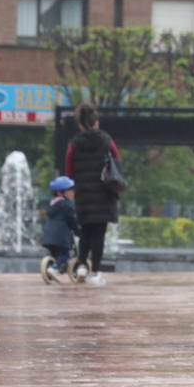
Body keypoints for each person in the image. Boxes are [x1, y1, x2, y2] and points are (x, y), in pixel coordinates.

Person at [65, 102, 122, 286]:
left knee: (85, 232)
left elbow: (69, 170)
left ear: (80, 124)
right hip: (104, 193)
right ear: (96, 121)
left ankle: (82, 266)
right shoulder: (106, 139)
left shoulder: (74, 143)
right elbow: (117, 159)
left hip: (82, 192)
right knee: (99, 233)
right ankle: (96, 272)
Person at [40, 175, 79, 283]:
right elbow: (72, 221)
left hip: (48, 236)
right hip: (60, 236)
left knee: (55, 254)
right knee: (65, 254)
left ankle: (51, 269)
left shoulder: (52, 204)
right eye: (70, 190)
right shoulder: (67, 205)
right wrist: (78, 231)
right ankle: (54, 269)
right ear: (59, 192)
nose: (72, 192)